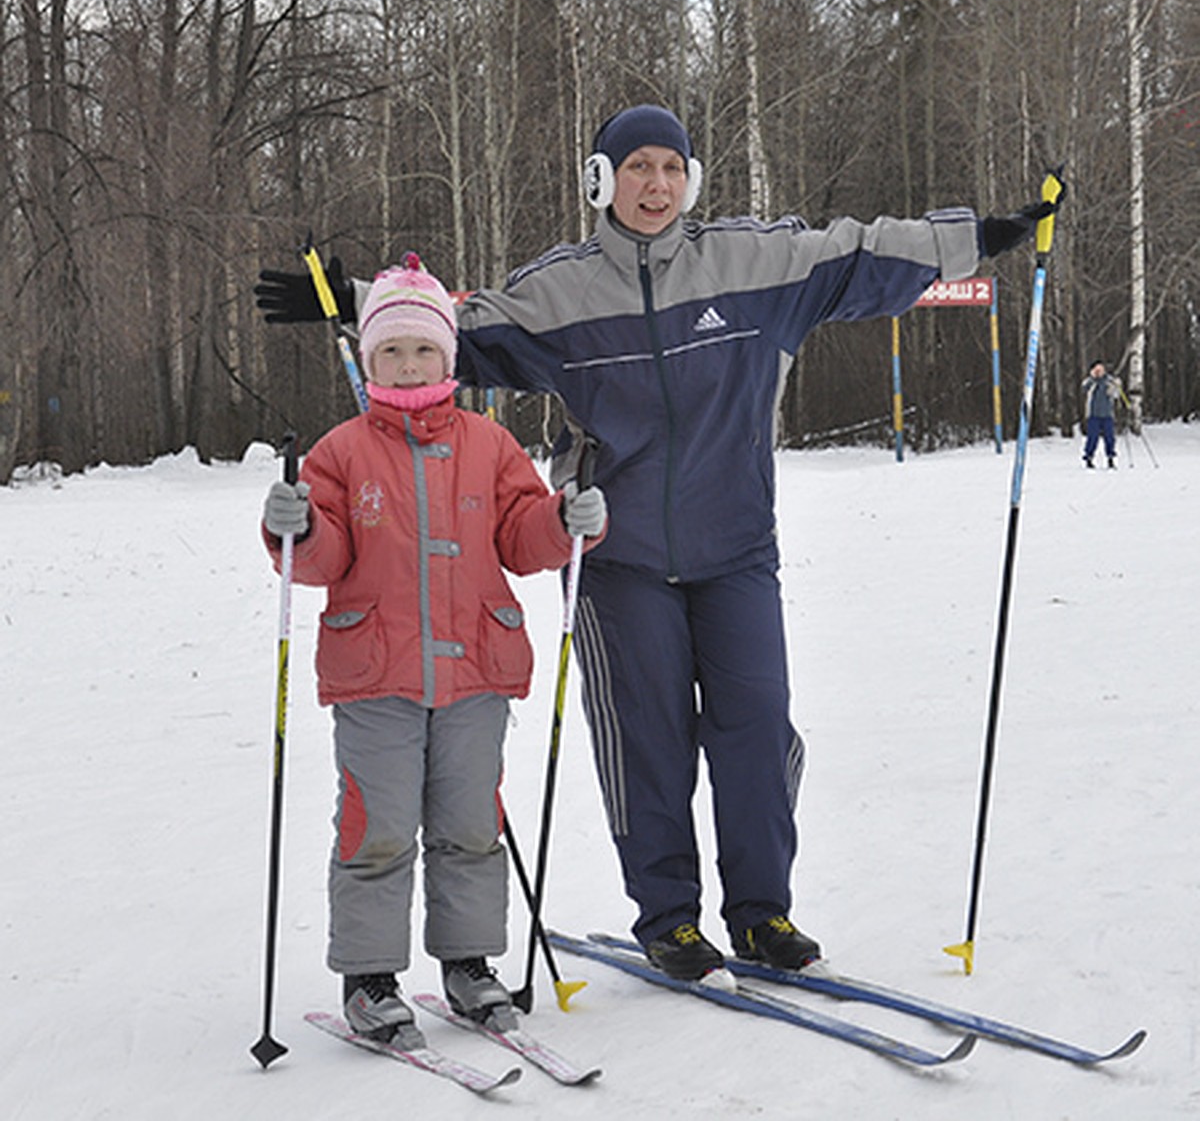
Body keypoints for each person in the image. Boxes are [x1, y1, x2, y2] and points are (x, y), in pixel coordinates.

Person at [257, 104, 1060, 982]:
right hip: (620, 558)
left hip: (738, 549)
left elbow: (861, 251)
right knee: (649, 738)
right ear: (601, 182)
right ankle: (669, 918)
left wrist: (980, 236)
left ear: (693, 180)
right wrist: (355, 301)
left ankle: (762, 914)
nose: (656, 186)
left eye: (671, 169)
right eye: (636, 168)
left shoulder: (756, 265)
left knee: (756, 727)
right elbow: (449, 331)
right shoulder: (560, 293)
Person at [260, 253, 607, 1042]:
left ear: (448, 358)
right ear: (371, 359)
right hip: (375, 676)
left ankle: (469, 963)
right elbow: (324, 559)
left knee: (469, 824)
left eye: (423, 349)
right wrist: (297, 524)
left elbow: (523, 538)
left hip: (476, 673)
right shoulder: (342, 452)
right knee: (376, 825)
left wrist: (564, 520)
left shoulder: (489, 444)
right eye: (392, 350)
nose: (409, 363)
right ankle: (370, 976)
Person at [1081, 359, 1122, 469]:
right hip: (1093, 415)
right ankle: (1089, 458)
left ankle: (1110, 458)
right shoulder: (1089, 382)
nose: (1099, 372)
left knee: (1110, 438)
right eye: (1096, 370)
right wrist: (1092, 380)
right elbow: (1084, 389)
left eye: (1101, 369)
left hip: (1107, 415)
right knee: (1092, 438)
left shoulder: (1109, 381)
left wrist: (1116, 387)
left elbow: (1116, 395)